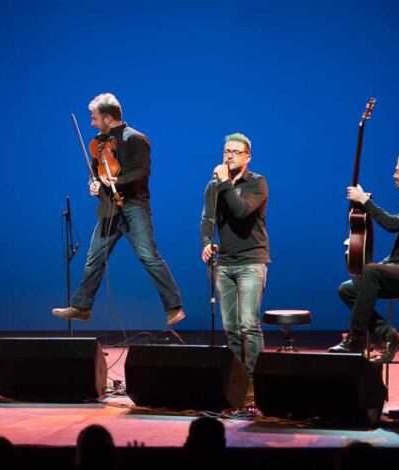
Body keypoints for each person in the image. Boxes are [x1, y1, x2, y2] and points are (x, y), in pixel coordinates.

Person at [52, 93, 186, 327]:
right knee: (93, 258)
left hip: (134, 207)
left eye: (95, 118)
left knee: (149, 256)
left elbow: (141, 172)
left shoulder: (135, 138)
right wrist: (93, 184)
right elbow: (95, 174)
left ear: (108, 118)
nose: (92, 123)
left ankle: (174, 307)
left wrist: (115, 180)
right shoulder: (99, 143)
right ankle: (82, 307)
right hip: (108, 208)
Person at [329, 151, 399, 363]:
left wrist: (365, 201)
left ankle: (357, 338)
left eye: (397, 170)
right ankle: (388, 334)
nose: (394, 174)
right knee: (347, 289)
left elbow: (393, 224)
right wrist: (385, 264)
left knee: (371, 270)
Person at [200, 133, 269, 377]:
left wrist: (226, 183)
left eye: (235, 152)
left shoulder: (257, 183)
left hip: (252, 262)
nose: (229, 156)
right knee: (230, 328)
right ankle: (237, 380)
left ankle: (254, 380)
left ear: (247, 157)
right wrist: (207, 242)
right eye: (226, 152)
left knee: (248, 325)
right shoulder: (213, 186)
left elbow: (241, 211)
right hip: (225, 264)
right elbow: (207, 219)